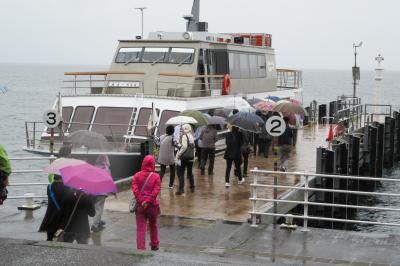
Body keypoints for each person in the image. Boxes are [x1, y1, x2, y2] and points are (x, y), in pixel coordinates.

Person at [132, 155, 161, 250]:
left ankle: (140, 247)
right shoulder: (156, 176)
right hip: (152, 206)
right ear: (153, 164)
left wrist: (141, 201)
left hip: (140, 206)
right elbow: (155, 191)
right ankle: (154, 244)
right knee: (153, 226)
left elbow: (135, 190)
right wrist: (148, 201)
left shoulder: (136, 176)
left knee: (140, 228)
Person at [39, 174, 72, 240]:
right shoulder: (68, 188)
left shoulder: (49, 187)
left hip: (51, 216)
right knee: (62, 239)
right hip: (63, 217)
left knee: (50, 238)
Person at [91, 154, 110, 232]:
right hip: (101, 192)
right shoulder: (106, 168)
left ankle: (98, 221)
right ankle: (95, 225)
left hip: (93, 191)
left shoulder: (94, 167)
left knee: (97, 207)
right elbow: (108, 180)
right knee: (99, 209)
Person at [175, 124, 195, 195]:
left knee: (181, 173)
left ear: (185, 129)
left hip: (184, 157)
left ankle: (181, 189)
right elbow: (193, 147)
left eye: (183, 128)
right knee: (190, 173)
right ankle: (192, 187)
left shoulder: (184, 136)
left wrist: (179, 154)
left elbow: (184, 147)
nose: (182, 130)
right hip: (190, 157)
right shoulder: (191, 136)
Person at [158, 125, 175, 189]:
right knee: (172, 170)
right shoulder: (173, 138)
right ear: (173, 131)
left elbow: (158, 143)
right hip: (170, 157)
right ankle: (170, 185)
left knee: (162, 171)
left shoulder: (162, 137)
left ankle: (158, 184)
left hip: (162, 156)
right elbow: (177, 145)